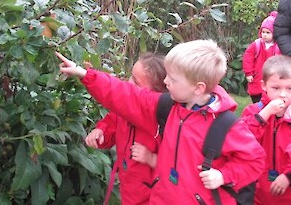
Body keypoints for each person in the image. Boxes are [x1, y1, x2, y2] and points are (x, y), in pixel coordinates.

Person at [56, 39, 265, 205]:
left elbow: (254, 160)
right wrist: (85, 74)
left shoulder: (225, 125)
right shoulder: (168, 107)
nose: (166, 82)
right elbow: (125, 95)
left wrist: (223, 175)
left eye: (173, 79)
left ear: (198, 87)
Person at [85, 53, 167, 205]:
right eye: (131, 76)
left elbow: (176, 167)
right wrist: (101, 132)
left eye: (136, 82)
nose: (128, 83)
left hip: (152, 196)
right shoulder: (125, 110)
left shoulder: (161, 122)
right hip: (129, 188)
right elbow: (112, 122)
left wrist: (150, 158)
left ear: (155, 94)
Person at [241, 55, 291, 204]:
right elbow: (243, 141)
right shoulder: (254, 111)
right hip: (257, 192)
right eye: (276, 88)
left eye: (290, 88)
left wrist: (288, 176)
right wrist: (265, 114)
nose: (283, 94)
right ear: (263, 86)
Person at [242, 11, 281, 103]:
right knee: (256, 98)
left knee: (270, 97)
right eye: (263, 32)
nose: (265, 35)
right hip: (257, 77)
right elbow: (248, 58)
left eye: (268, 32)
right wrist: (249, 73)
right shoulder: (257, 44)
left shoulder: (278, 47)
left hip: (272, 78)